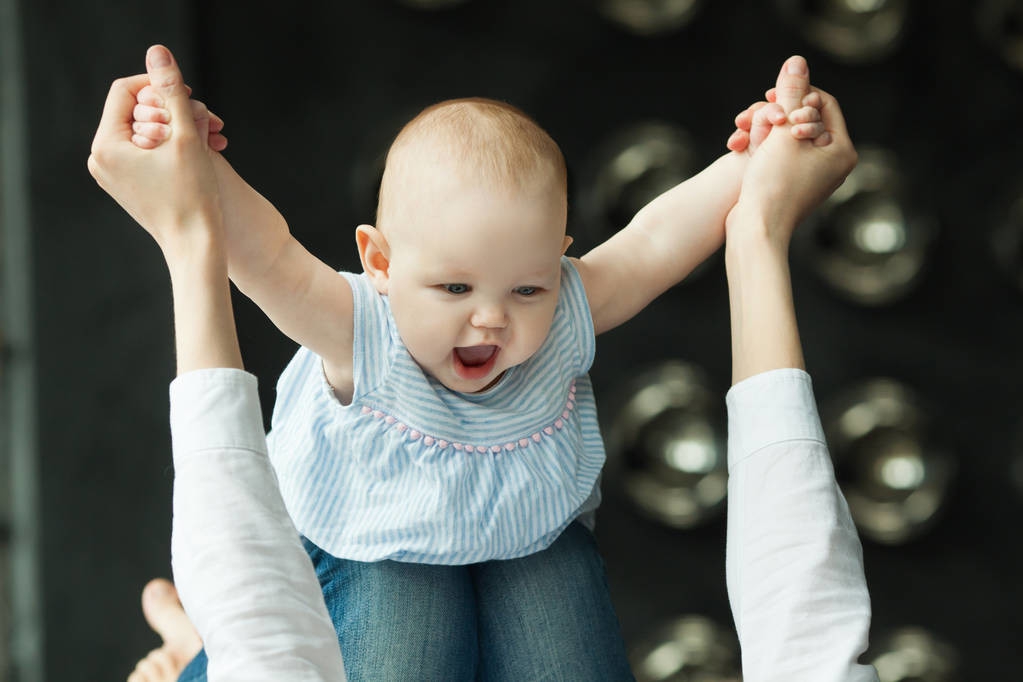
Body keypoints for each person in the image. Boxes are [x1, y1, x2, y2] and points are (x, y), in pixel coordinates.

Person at [90, 46, 877, 681]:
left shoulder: (562, 307)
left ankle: (193, 652)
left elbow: (653, 241)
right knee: (405, 649)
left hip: (525, 534)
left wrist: (755, 161)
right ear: (381, 262)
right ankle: (202, 652)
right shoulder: (360, 324)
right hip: (377, 540)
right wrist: (187, 156)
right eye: (454, 286)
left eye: (527, 285)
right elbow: (263, 249)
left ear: (560, 263)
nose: (491, 317)